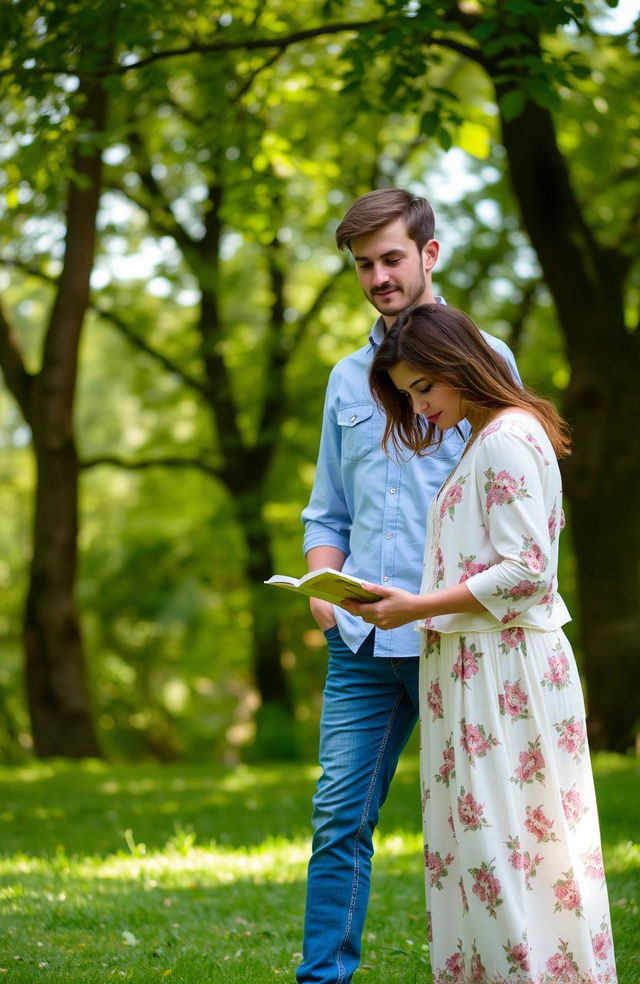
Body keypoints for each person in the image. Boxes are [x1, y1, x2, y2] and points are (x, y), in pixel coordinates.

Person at [343, 303, 617, 982]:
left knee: (507, 848)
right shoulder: (489, 436)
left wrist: (415, 609)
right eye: (408, 394)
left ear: (460, 367)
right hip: (479, 664)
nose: (419, 405)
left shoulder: (502, 439)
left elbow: (527, 569)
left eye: (424, 387)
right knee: (498, 847)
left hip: (502, 670)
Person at [297, 189, 520, 984]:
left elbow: (510, 507)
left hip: (453, 640)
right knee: (338, 820)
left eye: (392, 258)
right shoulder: (345, 379)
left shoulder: (483, 361)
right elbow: (326, 510)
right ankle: (323, 979)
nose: (379, 277)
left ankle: (499, 968)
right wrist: (323, 588)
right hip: (360, 642)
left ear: (430, 254)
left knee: (480, 823)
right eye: (364, 265)